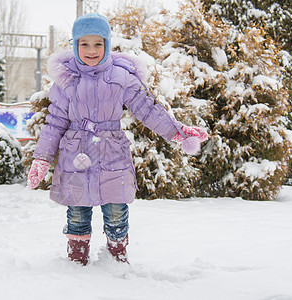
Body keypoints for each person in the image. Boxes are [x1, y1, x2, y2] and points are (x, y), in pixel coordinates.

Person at [27, 13, 208, 266]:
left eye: (98, 44)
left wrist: (176, 132)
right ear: (75, 45)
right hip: (75, 155)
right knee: (77, 212)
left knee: (116, 210)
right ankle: (76, 263)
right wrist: (42, 158)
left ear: (107, 45)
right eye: (85, 44)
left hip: (111, 153)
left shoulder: (121, 77)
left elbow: (148, 108)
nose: (91, 50)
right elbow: (54, 121)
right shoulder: (67, 80)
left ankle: (116, 259)